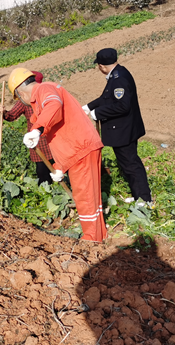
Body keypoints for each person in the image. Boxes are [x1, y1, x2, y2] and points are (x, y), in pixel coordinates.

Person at [9, 67, 107, 242]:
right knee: (90, 195)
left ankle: (91, 239)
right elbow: (59, 132)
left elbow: (54, 106)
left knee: (84, 197)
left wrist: (38, 129)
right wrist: (59, 167)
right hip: (80, 148)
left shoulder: (43, 90)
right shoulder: (44, 92)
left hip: (80, 149)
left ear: (20, 93)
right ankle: (99, 234)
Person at [85, 48, 152, 204]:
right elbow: (106, 97)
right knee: (128, 163)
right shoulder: (119, 73)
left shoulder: (119, 79)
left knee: (131, 165)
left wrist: (97, 113)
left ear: (101, 66)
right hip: (126, 129)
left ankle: (144, 200)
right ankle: (139, 195)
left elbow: (122, 106)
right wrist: (88, 107)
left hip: (123, 131)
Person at [1, 71, 55, 186]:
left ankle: (63, 187)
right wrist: (4, 113)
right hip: (37, 140)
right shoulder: (24, 102)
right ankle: (46, 191)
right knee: (42, 171)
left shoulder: (47, 96)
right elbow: (12, 115)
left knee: (59, 166)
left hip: (53, 137)